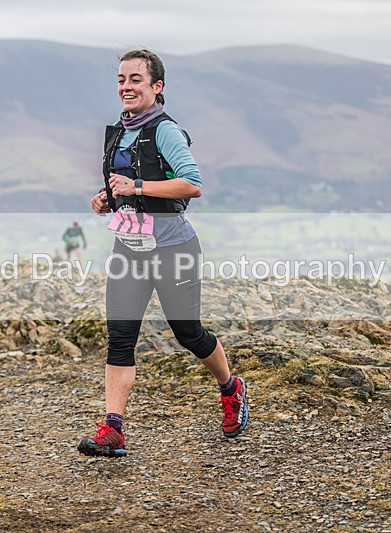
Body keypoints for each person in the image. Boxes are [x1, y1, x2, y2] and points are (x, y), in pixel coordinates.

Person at [77, 49, 248, 458]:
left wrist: (136, 188)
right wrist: (107, 199)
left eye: (136, 79)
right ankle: (113, 429)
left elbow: (192, 184)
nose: (126, 86)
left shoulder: (166, 130)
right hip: (128, 249)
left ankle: (231, 388)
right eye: (121, 79)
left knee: (189, 334)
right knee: (120, 339)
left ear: (157, 86)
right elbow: (126, 184)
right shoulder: (119, 132)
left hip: (173, 250)